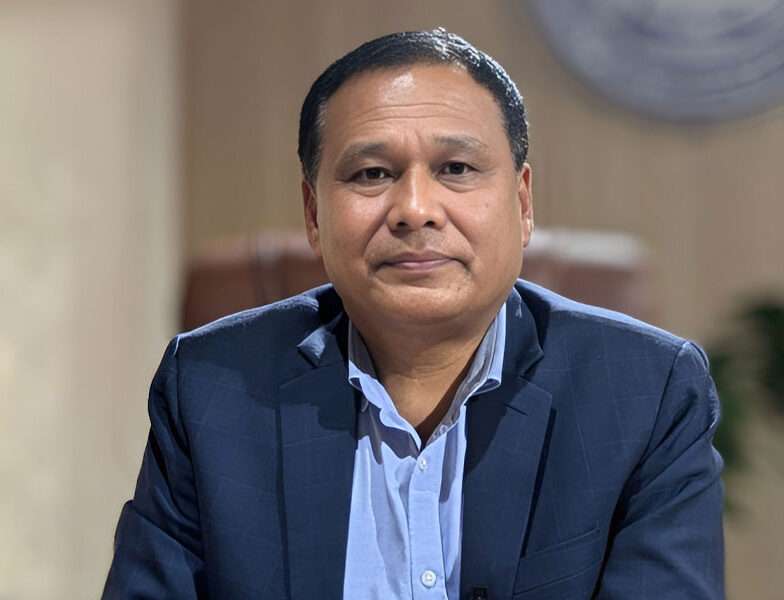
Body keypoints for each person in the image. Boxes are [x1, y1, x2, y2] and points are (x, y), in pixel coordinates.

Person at [103, 29, 724, 599]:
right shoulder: (211, 389)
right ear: (314, 215)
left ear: (522, 202)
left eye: (456, 169)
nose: (415, 209)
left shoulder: (647, 392)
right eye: (372, 173)